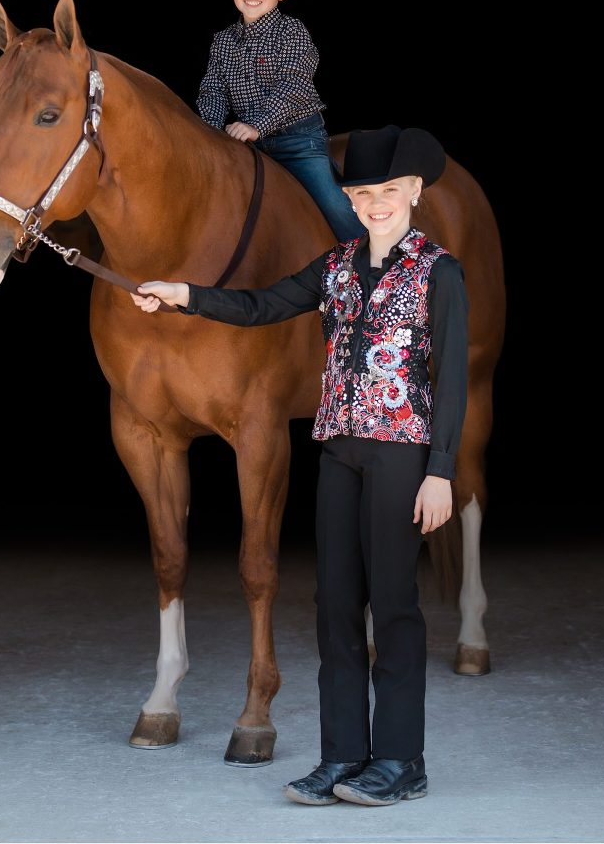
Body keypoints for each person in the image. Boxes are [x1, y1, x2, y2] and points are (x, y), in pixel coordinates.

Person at [130, 124, 468, 809]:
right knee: (335, 605)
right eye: (365, 192)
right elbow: (260, 306)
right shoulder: (335, 265)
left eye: (390, 192)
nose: (377, 203)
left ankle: (401, 758)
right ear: (353, 197)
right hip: (339, 449)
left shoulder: (438, 271)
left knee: (394, 606)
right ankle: (342, 753)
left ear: (414, 194)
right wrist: (182, 294)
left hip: (404, 454)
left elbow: (452, 376)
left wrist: (441, 469)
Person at [196, 0, 359, 242]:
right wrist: (211, 131)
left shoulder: (292, 32)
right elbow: (212, 89)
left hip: (297, 142)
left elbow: (293, 86)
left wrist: (255, 124)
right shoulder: (223, 42)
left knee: (336, 207)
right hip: (247, 143)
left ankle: (374, 269)